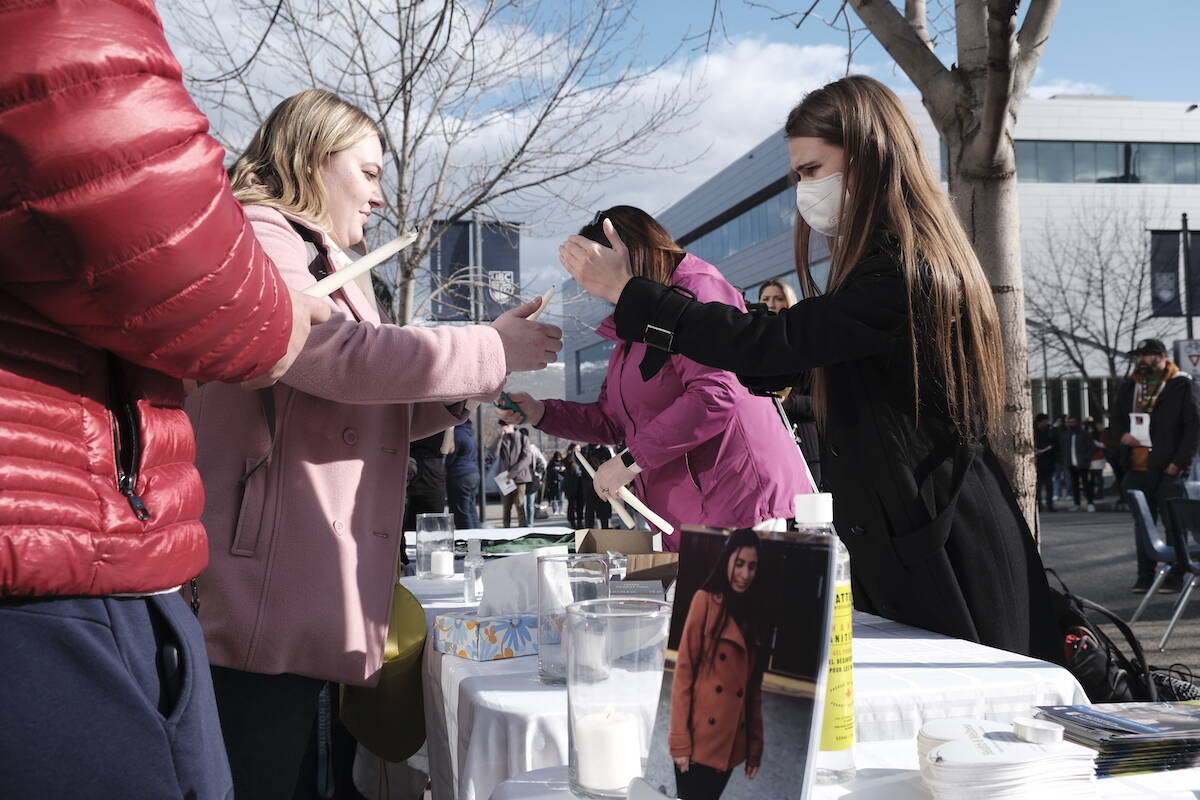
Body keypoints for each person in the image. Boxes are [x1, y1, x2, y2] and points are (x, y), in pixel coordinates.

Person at [559, 75, 1059, 660]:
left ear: (871, 156)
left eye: (812, 170)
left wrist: (634, 293)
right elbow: (778, 355)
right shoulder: (882, 262)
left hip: (940, 543)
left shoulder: (903, 268)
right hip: (908, 535)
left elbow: (772, 345)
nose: (804, 190)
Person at [186, 89, 562, 799]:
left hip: (295, 588)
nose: (381, 198)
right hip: (264, 594)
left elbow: (360, 401)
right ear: (311, 159)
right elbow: (333, 358)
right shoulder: (265, 232)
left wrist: (482, 371)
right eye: (368, 173)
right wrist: (485, 346)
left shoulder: (310, 250)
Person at [0, 2, 331, 796]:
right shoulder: (279, 240)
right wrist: (283, 315)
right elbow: (184, 280)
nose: (382, 196)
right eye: (369, 170)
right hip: (57, 569)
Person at [501, 207, 810, 550]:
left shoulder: (697, 289)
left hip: (741, 505)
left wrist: (631, 461)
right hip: (686, 516)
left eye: (597, 278)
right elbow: (615, 421)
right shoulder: (631, 332)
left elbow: (718, 391)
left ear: (627, 255)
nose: (597, 293)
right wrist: (541, 412)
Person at [670, 530, 766, 799]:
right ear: (727, 561)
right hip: (699, 742)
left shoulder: (754, 614)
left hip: (732, 745)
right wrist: (680, 741)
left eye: (752, 566)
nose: (745, 574)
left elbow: (753, 692)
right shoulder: (705, 601)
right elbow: (683, 674)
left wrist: (754, 748)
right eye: (739, 563)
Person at [1111, 338, 1200, 594]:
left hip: (1168, 468)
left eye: (1148, 355)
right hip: (1136, 468)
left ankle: (1175, 575)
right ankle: (1144, 576)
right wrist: (1122, 436)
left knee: (1174, 525)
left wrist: (1179, 463)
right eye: (1139, 355)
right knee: (1142, 527)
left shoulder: (1181, 384)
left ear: (1162, 357)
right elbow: (1116, 418)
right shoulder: (1131, 385)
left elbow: (1193, 427)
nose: (1142, 360)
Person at [759, 278, 822, 488]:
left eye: (778, 298)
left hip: (806, 448)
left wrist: (791, 402)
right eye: (765, 299)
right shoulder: (754, 351)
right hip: (768, 448)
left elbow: (823, 403)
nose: (771, 304)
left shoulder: (807, 346)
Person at [1054, 415, 1097, 512]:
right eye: (1069, 422)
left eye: (1073, 422)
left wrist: (1086, 458)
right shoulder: (1065, 435)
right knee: (1074, 484)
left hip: (1083, 463)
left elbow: (1092, 447)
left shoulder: (1084, 434)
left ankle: (1090, 503)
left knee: (1086, 484)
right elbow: (1062, 448)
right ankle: (1077, 503)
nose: (1071, 424)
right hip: (1070, 463)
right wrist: (1065, 460)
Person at [496, 420, 534, 527]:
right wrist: (499, 437)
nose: (504, 427)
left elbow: (526, 459)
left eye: (506, 425)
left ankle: (523, 529)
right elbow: (494, 453)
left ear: (512, 425)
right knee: (506, 507)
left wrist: (512, 473)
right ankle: (506, 530)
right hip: (504, 478)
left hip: (520, 478)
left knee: (520, 505)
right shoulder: (502, 439)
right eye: (502, 425)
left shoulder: (523, 438)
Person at [446, 420, 482, 529]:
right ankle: (476, 537)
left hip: (459, 474)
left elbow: (450, 457)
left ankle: (467, 540)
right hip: (473, 473)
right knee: (471, 510)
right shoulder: (470, 433)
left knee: (461, 512)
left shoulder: (457, 434)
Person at [1034, 413, 1057, 512]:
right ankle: (1039, 505)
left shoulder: (1050, 431)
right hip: (1037, 462)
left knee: (1049, 485)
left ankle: (1049, 505)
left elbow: (1055, 444)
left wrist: (1044, 450)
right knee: (1039, 486)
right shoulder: (1034, 431)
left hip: (1048, 461)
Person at [564, 445, 588, 528]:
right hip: (571, 486)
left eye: (579, 449)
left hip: (581, 484)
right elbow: (567, 462)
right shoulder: (569, 459)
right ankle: (572, 521)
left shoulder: (582, 459)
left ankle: (580, 521)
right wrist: (571, 454)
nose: (578, 450)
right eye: (576, 449)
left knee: (581, 504)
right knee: (572, 505)